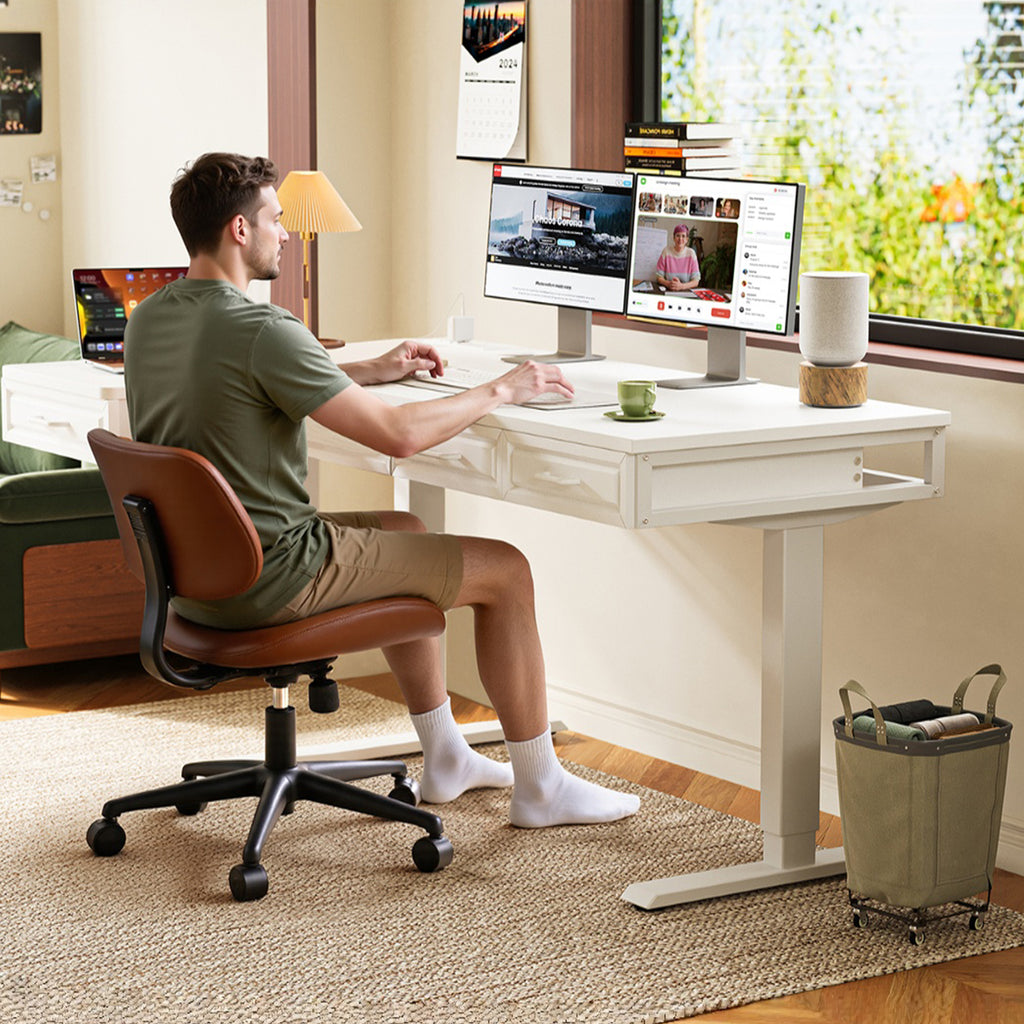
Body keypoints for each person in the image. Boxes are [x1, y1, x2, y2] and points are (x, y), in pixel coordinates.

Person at [124, 152, 639, 830]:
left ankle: (447, 755)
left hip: (197, 586)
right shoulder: (261, 329)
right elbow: (396, 436)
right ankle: (541, 787)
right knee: (506, 570)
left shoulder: (151, 318)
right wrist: (501, 389)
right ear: (239, 231)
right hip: (278, 576)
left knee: (407, 533)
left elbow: (249, 383)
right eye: (277, 220)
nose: (287, 234)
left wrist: (372, 367)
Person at [655, 223, 700, 292]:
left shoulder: (691, 254)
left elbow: (696, 281)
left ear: (687, 239)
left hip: (685, 290)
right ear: (673, 238)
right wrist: (668, 283)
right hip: (669, 289)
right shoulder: (666, 251)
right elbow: (659, 276)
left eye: (683, 236)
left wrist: (681, 286)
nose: (680, 239)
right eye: (678, 236)